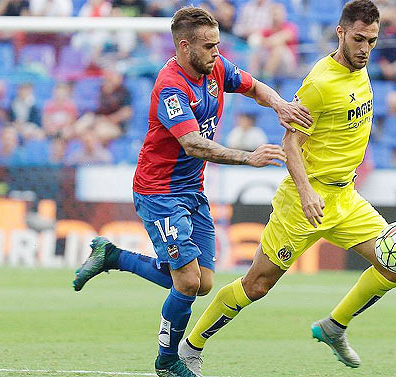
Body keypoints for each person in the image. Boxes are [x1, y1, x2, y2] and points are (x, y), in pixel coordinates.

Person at [71, 7, 312, 377]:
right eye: (210, 46)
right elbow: (193, 144)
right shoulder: (171, 86)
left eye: (218, 45)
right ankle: (167, 362)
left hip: (191, 190)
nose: (217, 52)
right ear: (185, 47)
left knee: (203, 283)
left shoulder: (213, 67)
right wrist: (248, 158)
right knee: (187, 281)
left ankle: (112, 257)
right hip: (159, 191)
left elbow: (252, 85)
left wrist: (279, 104)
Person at [178, 1, 396, 375]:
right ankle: (191, 346)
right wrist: (306, 191)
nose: (365, 48)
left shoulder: (361, 71)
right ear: (340, 33)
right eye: (358, 39)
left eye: (372, 40)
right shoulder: (320, 82)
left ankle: (335, 326)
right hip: (303, 202)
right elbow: (290, 143)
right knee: (256, 286)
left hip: (344, 198)